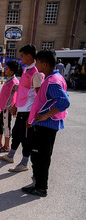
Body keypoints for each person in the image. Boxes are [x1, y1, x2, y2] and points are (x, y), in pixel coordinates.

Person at [22, 49, 70, 197]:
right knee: (39, 156)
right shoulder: (54, 77)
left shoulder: (52, 81)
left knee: (41, 157)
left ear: (45, 63)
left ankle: (41, 187)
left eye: (38, 62)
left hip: (46, 126)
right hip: (45, 125)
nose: (36, 65)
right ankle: (37, 183)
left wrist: (45, 116)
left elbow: (64, 101)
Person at [0, 44, 44, 172]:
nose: (21, 58)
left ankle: (24, 163)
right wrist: (15, 105)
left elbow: (38, 96)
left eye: (22, 55)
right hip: (22, 109)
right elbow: (22, 91)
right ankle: (10, 155)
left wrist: (32, 114)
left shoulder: (36, 73)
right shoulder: (26, 70)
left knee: (26, 139)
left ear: (29, 56)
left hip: (28, 111)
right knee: (17, 134)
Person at [0, 60, 20, 152]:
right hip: (4, 107)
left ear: (11, 72)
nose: (5, 69)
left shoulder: (15, 82)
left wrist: (14, 106)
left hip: (8, 108)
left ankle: (6, 146)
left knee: (6, 125)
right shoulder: (9, 79)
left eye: (7, 68)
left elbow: (19, 94)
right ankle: (0, 142)